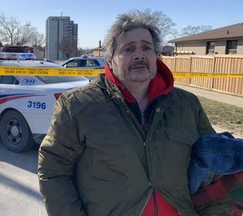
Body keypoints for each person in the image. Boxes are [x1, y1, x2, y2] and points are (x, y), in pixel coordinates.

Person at [38, 10, 215, 216]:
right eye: (128, 48)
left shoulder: (187, 105)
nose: (139, 54)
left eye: (146, 48)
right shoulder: (77, 105)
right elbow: (53, 171)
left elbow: (214, 165)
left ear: (155, 57)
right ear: (111, 60)